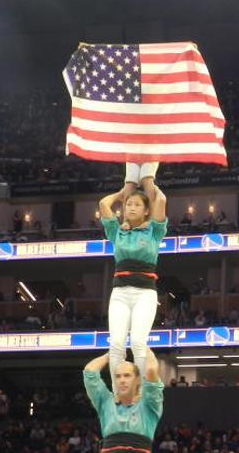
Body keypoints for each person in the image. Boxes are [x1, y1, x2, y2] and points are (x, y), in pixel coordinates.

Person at [99, 162, 167, 392]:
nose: (132, 207)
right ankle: (119, 392)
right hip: (119, 293)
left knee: (138, 343)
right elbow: (103, 204)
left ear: (146, 210)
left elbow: (162, 200)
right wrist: (122, 192)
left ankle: (138, 391)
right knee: (116, 345)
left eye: (138, 204)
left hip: (145, 294)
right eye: (129, 204)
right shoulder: (116, 231)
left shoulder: (154, 230)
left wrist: (147, 179)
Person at [83, 350, 164, 452]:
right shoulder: (105, 401)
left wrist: (143, 347)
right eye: (118, 376)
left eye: (127, 375)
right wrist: (110, 355)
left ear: (138, 379)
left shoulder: (149, 404)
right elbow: (89, 372)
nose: (122, 380)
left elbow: (151, 370)